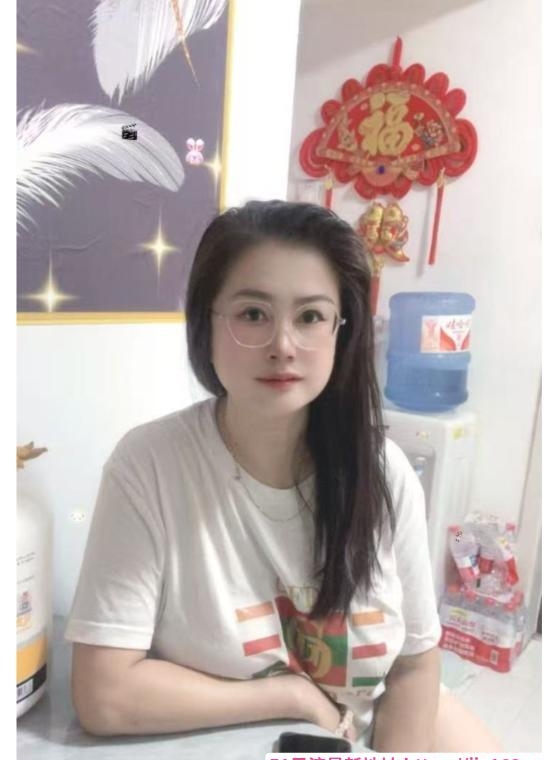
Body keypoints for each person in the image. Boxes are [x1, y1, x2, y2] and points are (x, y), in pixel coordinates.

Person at [65, 200, 503, 751]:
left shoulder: (384, 472)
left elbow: (414, 666)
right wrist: (289, 696)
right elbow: (105, 695)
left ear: (341, 331)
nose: (283, 346)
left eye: (311, 317)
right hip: (235, 738)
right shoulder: (150, 464)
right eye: (253, 314)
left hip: (374, 730)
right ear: (205, 324)